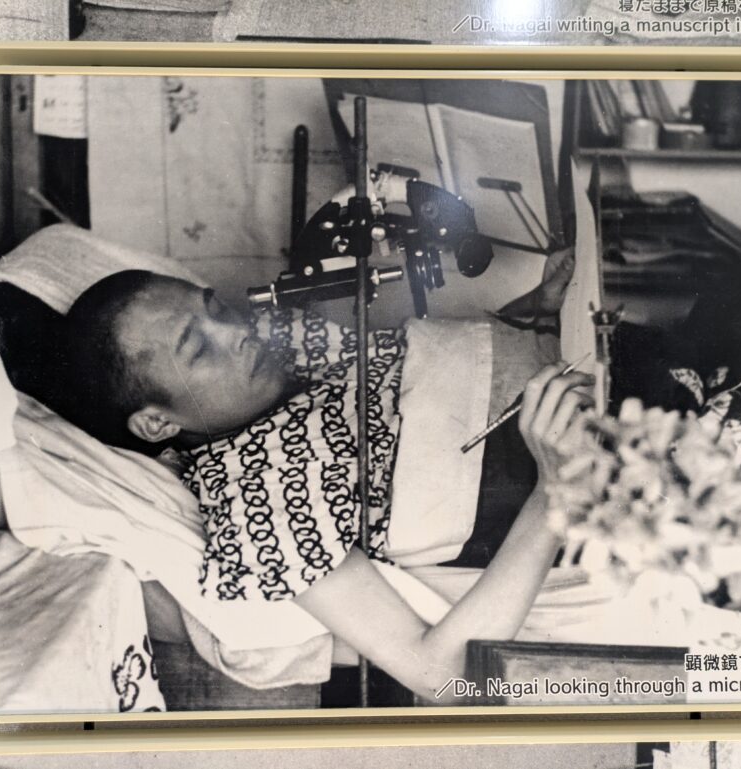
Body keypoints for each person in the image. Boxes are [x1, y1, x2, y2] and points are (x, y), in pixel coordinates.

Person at [63, 269, 593, 702]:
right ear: (158, 424)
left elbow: (443, 361)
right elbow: (445, 677)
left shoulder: (289, 348)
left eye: (215, 308)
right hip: (577, 472)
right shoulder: (258, 500)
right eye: (198, 349)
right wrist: (553, 492)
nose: (236, 331)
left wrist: (534, 307)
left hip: (577, 372)